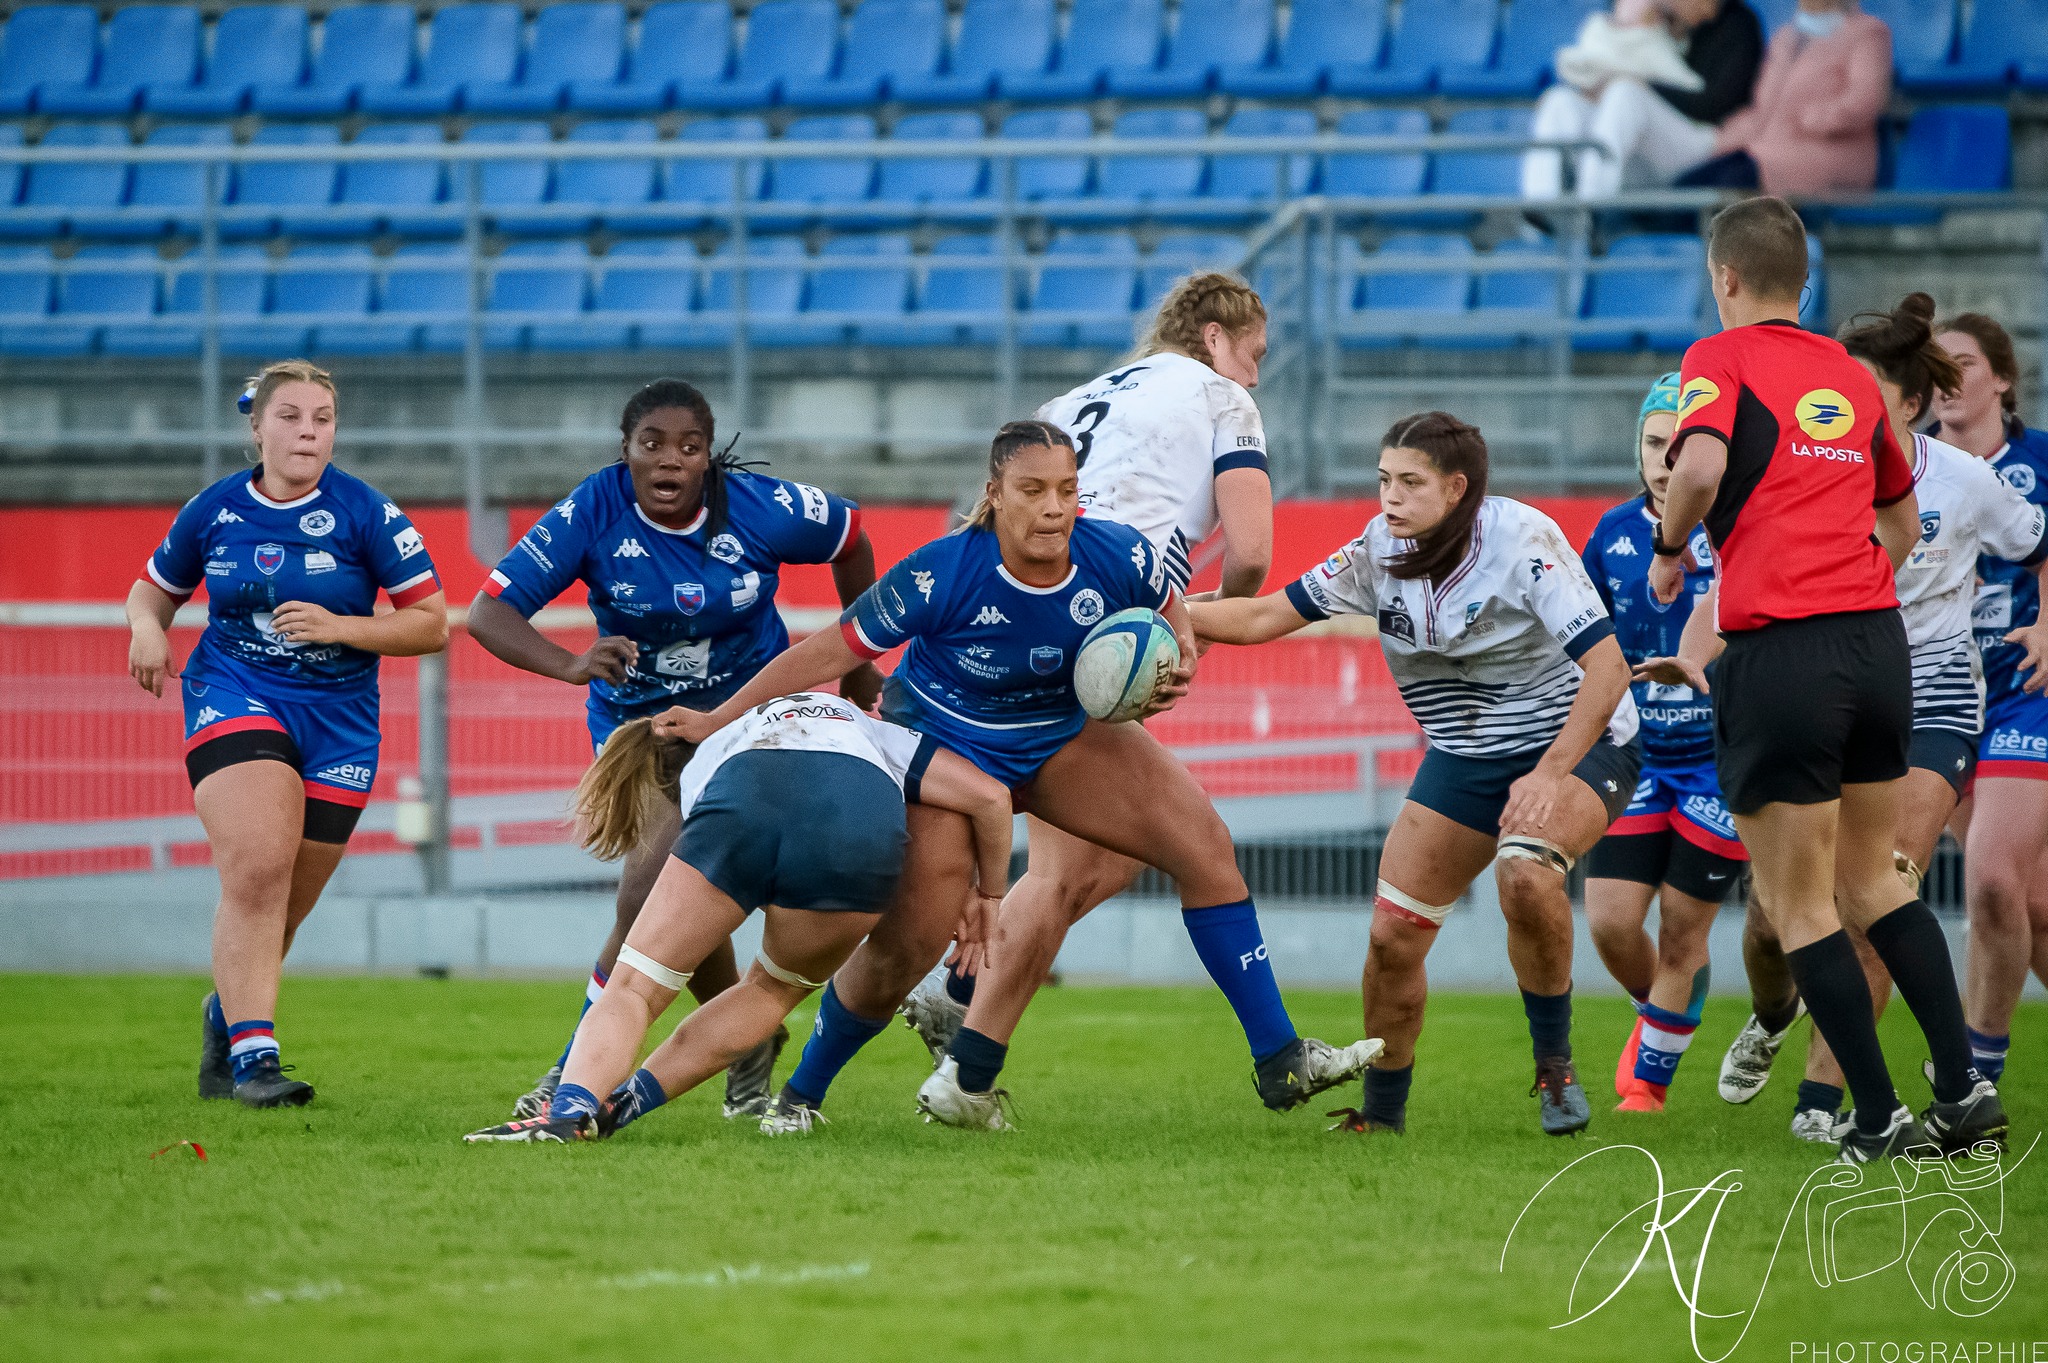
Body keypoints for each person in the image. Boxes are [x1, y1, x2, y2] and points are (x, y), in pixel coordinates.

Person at [663, 421, 1379, 1131]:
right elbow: (826, 650)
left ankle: (1279, 1057)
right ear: (995, 495)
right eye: (1032, 490)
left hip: (1060, 739)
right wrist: (716, 716)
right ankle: (802, 1095)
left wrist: (1179, 650)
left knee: (1206, 847)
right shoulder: (941, 570)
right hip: (948, 753)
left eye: (1066, 490)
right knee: (908, 947)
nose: (1053, 507)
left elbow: (1164, 599)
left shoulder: (1118, 552)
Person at [1648, 196, 2001, 1163]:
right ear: (1802, 281)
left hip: (1783, 655)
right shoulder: (1847, 375)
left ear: (1723, 277)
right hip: (1879, 650)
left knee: (1802, 904)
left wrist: (1671, 546)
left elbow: (1703, 464)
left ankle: (1878, 1115)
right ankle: (1965, 1093)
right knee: (1877, 885)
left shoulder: (1716, 360)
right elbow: (1901, 523)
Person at [1193, 412, 1640, 1138]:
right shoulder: (1377, 550)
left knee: (1524, 874)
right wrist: (1163, 614)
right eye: (1382, 480)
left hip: (1576, 743)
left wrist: (1550, 773)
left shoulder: (1523, 541)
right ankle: (1382, 1114)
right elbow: (1262, 616)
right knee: (1392, 938)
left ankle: (1554, 1063)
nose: (1389, 498)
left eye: (1409, 482)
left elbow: (1609, 669)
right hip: (1465, 757)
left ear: (1456, 488)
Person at [466, 378, 881, 1122]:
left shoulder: (759, 508)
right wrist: (569, 662)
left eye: (688, 447)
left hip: (744, 723)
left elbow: (850, 537)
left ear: (709, 458)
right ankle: (739, 1038)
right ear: (624, 451)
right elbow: (488, 611)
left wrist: (857, 660)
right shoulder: (592, 509)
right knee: (659, 890)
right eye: (650, 444)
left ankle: (573, 1070)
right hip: (641, 729)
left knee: (651, 890)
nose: (668, 461)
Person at [895, 271, 1277, 1064]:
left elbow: (985, 519)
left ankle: (958, 999)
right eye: (1254, 354)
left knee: (1119, 852)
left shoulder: (1069, 402)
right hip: (1100, 617)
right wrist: (1191, 622)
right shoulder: (1221, 397)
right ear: (1213, 339)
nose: (1255, 375)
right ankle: (962, 1056)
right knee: (1093, 865)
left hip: (1026, 606)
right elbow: (1252, 556)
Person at [1703, 294, 2048, 1141]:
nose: (1836, 402)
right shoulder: (1812, 466)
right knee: (1796, 907)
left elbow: (2040, 542)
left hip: (1930, 688)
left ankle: (1865, 1098)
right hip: (1840, 679)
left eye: (1856, 388)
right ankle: (1798, 1030)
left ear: (1906, 401)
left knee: (1883, 875)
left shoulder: (1964, 479)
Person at [462, 692, 1014, 1143]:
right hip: (856, 826)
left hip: (743, 801)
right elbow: (989, 799)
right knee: (768, 991)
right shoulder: (865, 725)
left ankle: (568, 1112)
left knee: (634, 987)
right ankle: (620, 1110)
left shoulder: (713, 753)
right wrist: (987, 896)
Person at [125, 360, 448, 1108]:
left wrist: (343, 626)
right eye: (292, 415)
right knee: (258, 867)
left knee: (285, 906)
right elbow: (153, 590)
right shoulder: (214, 510)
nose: (308, 430)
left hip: (340, 724)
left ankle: (226, 1014)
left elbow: (431, 621)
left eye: (323, 418)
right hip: (235, 693)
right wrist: (147, 628)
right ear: (258, 426)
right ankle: (256, 1063)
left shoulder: (367, 512)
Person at [1579, 374, 1737, 1114]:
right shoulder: (1609, 535)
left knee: (1682, 927)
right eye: (1652, 443)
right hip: (1638, 755)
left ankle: (1648, 1086)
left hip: (1720, 762)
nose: (1666, 459)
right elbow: (1579, 647)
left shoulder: (1737, 531)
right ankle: (1664, 1010)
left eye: (1681, 445)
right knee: (1610, 920)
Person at [1931, 313, 2048, 1085]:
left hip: (2024, 699)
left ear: (2002, 379)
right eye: (1935, 364)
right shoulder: (1913, 467)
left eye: (1964, 362)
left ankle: (1974, 1080)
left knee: (1993, 880)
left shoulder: (2038, 461)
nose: (1948, 375)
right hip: (1944, 698)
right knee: (2031, 908)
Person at [1522, 0, 1764, 201]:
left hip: (1702, 142)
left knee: (1625, 93)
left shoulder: (1739, 25)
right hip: (1642, 150)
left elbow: (1711, 105)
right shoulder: (1658, 20)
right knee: (1560, 101)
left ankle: (1589, 207)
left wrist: (1643, 85)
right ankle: (1540, 206)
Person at [1679, 0, 1893, 193]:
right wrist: (1722, 140)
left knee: (1726, 186)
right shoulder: (1785, 38)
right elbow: (1763, 109)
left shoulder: (1868, 33)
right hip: (1767, 151)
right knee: (1685, 185)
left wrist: (1811, 118)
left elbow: (1864, 101)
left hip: (1827, 156)